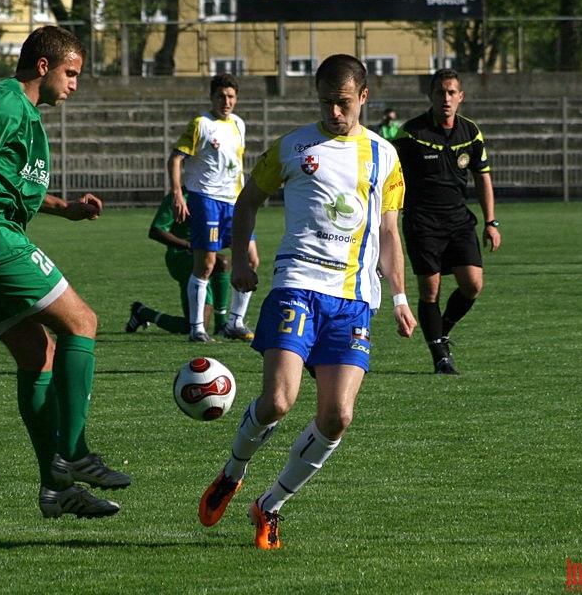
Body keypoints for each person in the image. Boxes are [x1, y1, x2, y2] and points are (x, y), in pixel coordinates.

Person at [197, 54, 417, 550]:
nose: (334, 113)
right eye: (326, 103)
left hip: (355, 300)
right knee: (278, 401)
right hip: (297, 284)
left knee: (338, 416)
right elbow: (246, 201)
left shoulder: (386, 156)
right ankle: (233, 473)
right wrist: (243, 263)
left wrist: (400, 296)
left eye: (343, 103)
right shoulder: (293, 147)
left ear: (364, 97)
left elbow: (388, 232)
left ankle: (268, 505)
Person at [0, 26, 130, 520]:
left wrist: (68, 209)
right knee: (82, 321)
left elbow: (8, 182)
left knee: (37, 354)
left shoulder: (26, 117)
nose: (75, 84)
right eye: (71, 73)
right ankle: (76, 451)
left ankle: (56, 488)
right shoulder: (3, 100)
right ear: (44, 66)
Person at [392, 68, 501, 375]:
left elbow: (483, 178)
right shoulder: (411, 133)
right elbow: (391, 176)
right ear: (431, 96)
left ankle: (443, 329)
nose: (446, 98)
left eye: (452, 92)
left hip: (458, 221)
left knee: (473, 284)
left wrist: (491, 222)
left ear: (460, 96)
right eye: (440, 92)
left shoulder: (470, 132)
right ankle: (440, 356)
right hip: (422, 221)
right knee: (430, 292)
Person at [168, 73, 258, 343]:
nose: (226, 101)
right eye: (221, 96)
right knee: (206, 265)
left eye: (231, 96)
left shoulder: (239, 125)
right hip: (205, 199)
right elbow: (176, 159)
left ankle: (235, 322)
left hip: (234, 202)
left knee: (251, 260)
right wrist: (177, 194)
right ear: (212, 97)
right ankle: (197, 329)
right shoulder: (201, 124)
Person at [125, 191, 236, 336]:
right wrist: (189, 245)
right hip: (181, 256)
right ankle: (143, 313)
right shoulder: (179, 197)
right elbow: (156, 230)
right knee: (195, 327)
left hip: (204, 255)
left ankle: (221, 324)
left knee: (222, 262)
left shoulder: (214, 195)